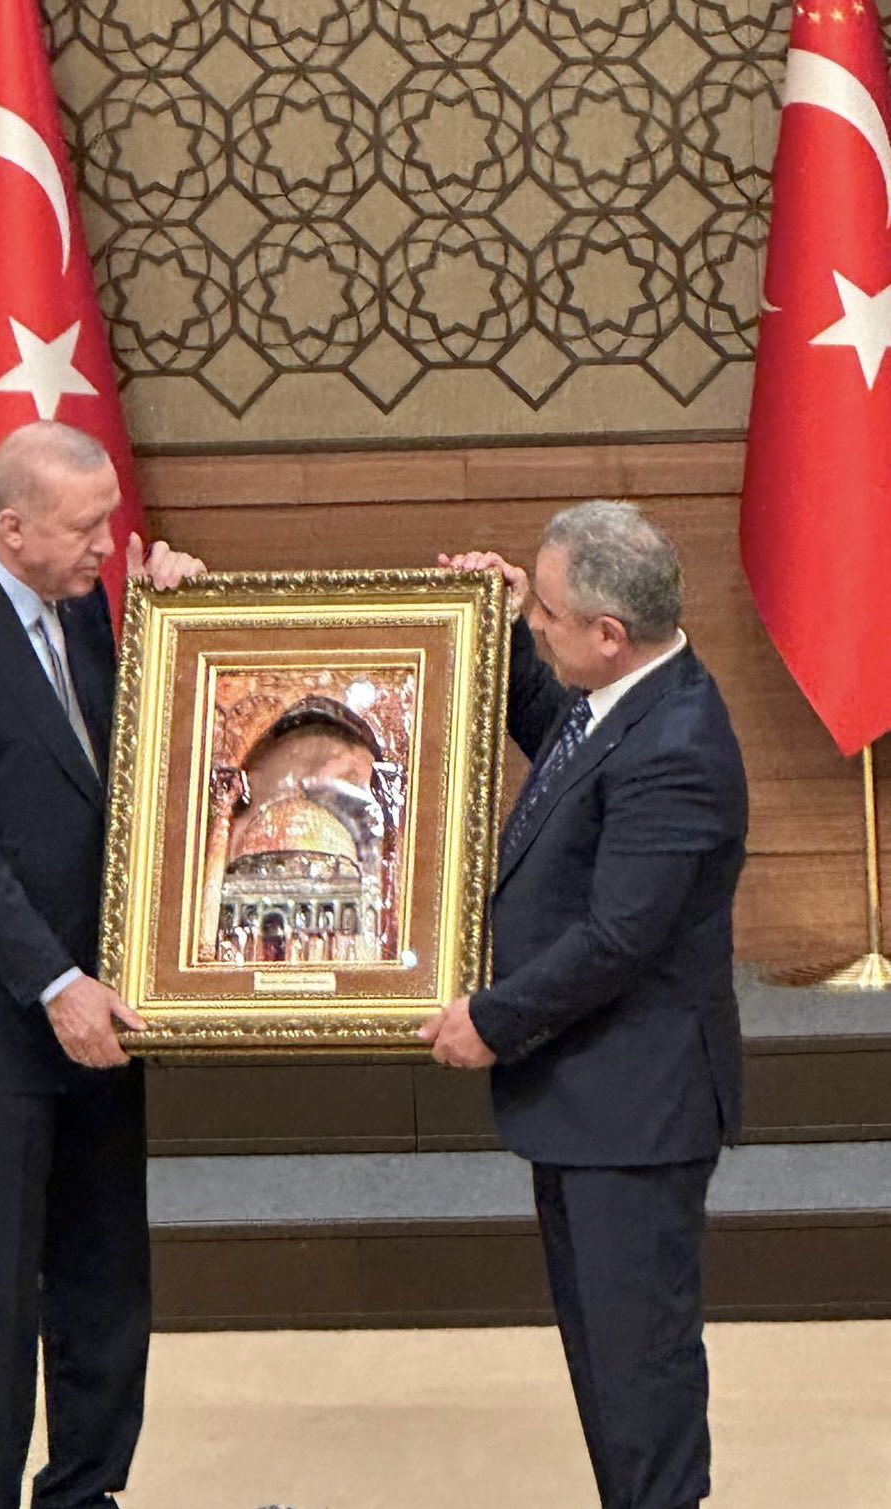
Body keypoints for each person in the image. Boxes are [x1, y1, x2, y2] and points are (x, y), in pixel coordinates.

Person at [0, 421, 206, 1509]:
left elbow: (133, 776)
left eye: (109, 522)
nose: (107, 544)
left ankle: (85, 1491)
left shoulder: (94, 609)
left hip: (102, 1016)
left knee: (106, 1282)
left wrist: (173, 623)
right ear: (12, 527)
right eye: (86, 527)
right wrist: (54, 984)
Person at [422, 501, 747, 1509]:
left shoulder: (678, 745)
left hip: (636, 1111)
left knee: (638, 1374)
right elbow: (564, 750)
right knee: (605, 1366)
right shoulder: (622, 696)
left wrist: (492, 1018)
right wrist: (495, 622)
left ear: (609, 634)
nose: (533, 623)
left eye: (544, 615)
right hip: (591, 1102)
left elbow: (617, 937)